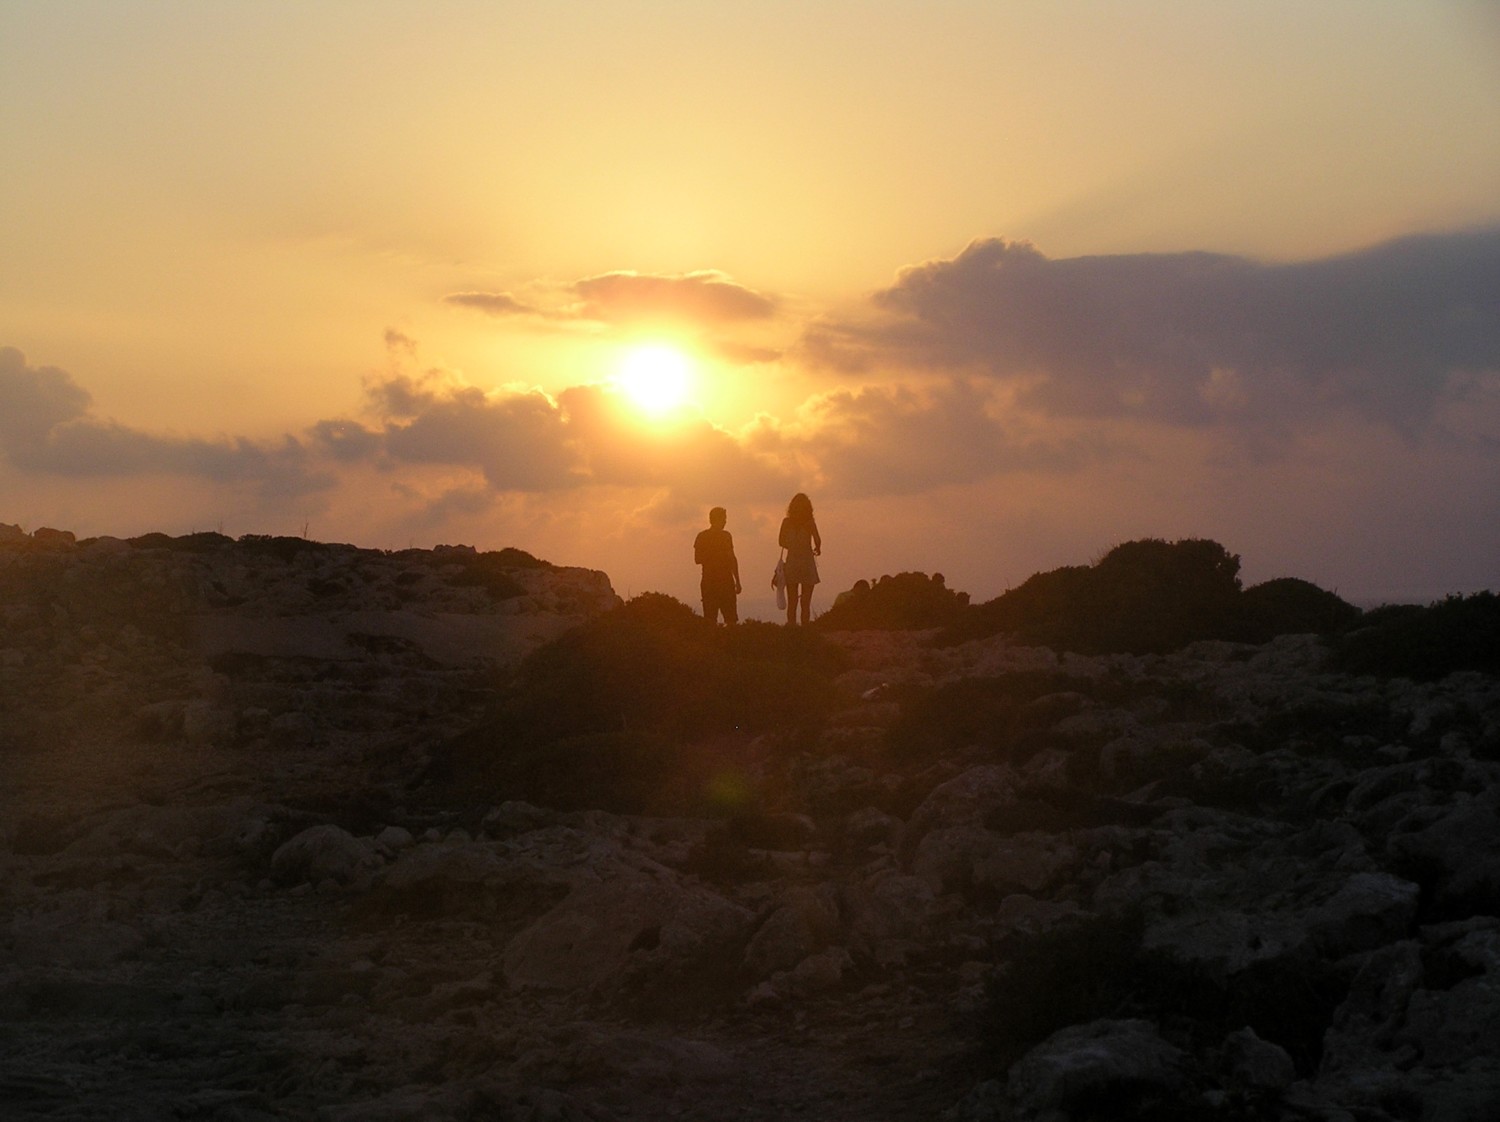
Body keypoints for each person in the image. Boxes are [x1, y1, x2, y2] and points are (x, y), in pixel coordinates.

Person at [777, 492, 822, 626]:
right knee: (805, 602)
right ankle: (805, 628)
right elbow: (818, 541)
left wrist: (792, 545)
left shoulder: (786, 522)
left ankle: (792, 627)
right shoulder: (810, 523)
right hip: (807, 564)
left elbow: (781, 541)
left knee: (792, 601)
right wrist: (816, 549)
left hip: (792, 563)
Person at [694, 506, 742, 625]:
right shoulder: (725, 536)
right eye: (723, 519)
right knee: (729, 619)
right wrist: (737, 581)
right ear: (716, 519)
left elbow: (697, 559)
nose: (725, 522)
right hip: (722, 581)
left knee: (711, 619)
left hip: (710, 581)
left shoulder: (702, 536)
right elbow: (732, 559)